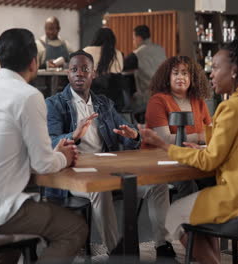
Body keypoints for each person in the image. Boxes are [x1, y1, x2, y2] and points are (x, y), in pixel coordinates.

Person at [140, 36, 238, 264]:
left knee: (175, 214)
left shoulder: (233, 107)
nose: (210, 74)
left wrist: (165, 146)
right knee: (196, 213)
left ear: (235, 70)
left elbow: (209, 161)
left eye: (216, 68)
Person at [0, 28, 87, 264]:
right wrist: (63, 156)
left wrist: (52, 155)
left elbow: (9, 150)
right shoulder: (28, 96)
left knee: (17, 234)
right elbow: (43, 164)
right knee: (75, 229)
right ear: (34, 63)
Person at [44, 50, 176, 258]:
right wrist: (74, 135)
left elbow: (125, 134)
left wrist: (132, 136)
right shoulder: (54, 104)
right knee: (101, 188)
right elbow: (52, 141)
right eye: (74, 69)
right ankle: (118, 253)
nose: (79, 73)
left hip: (108, 169)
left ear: (93, 74)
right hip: (73, 172)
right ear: (67, 74)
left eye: (85, 69)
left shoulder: (104, 103)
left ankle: (162, 245)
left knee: (158, 185)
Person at [144, 55, 212, 199]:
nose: (180, 77)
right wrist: (200, 137)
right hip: (161, 162)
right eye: (175, 73)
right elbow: (164, 139)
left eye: (185, 73)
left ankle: (205, 219)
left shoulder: (198, 101)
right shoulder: (158, 101)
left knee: (216, 177)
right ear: (167, 77)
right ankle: (182, 221)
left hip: (190, 160)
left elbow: (211, 132)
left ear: (192, 78)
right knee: (188, 184)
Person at [123, 25, 166, 122]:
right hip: (165, 96)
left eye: (133, 39)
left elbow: (120, 66)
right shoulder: (160, 49)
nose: (133, 42)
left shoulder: (138, 54)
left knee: (123, 110)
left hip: (148, 98)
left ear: (138, 38)